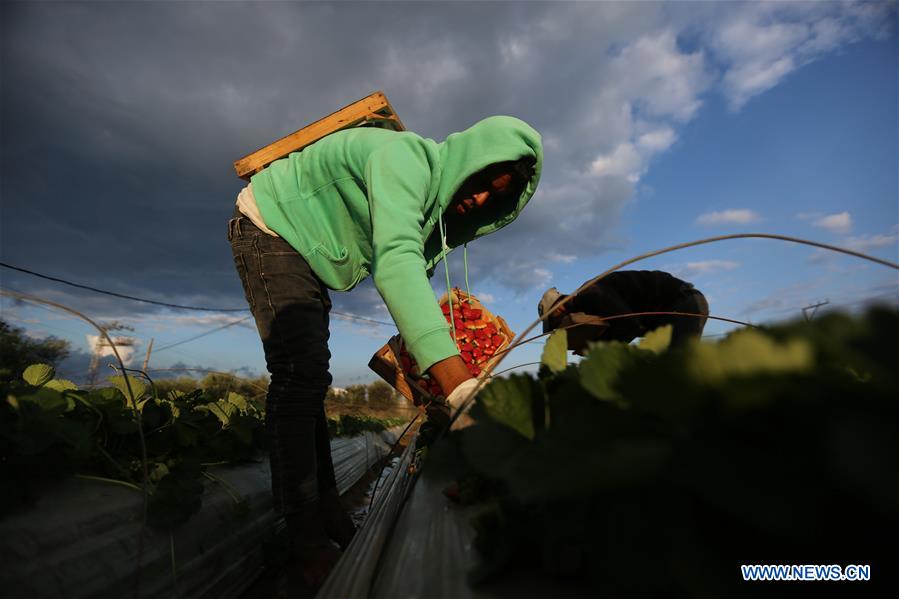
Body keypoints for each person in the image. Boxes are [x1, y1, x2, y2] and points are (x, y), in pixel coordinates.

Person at [227, 115, 542, 586]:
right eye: (480, 184)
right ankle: (303, 537)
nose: (479, 200)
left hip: (306, 244)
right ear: (468, 161)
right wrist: (461, 390)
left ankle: (328, 507)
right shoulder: (405, 159)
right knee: (299, 375)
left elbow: (410, 265)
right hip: (272, 225)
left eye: (494, 199)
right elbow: (396, 261)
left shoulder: (433, 199)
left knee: (310, 378)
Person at [538, 270, 709, 354]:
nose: (559, 328)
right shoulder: (591, 306)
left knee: (675, 373)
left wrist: (594, 349)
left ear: (559, 308)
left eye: (555, 323)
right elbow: (624, 326)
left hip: (683, 304)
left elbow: (630, 326)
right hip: (672, 312)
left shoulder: (590, 295)